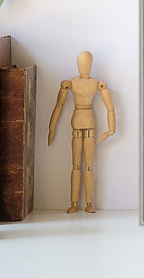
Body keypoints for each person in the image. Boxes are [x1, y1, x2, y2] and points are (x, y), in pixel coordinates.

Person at [48, 51, 116, 213]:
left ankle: (89, 203)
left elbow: (110, 109)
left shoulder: (95, 83)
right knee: (78, 165)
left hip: (85, 120)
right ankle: (74, 203)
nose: (84, 65)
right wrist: (51, 128)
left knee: (86, 166)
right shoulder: (72, 83)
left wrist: (110, 130)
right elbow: (59, 105)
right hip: (79, 121)